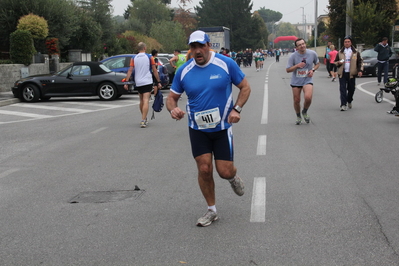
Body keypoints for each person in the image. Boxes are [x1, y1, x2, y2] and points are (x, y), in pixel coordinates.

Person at [166, 30, 251, 227]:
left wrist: (237, 109)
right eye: (193, 47)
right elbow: (171, 98)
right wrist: (173, 110)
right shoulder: (184, 71)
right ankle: (211, 210)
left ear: (208, 45)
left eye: (200, 46)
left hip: (222, 127)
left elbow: (245, 87)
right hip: (198, 128)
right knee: (204, 168)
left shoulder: (225, 63)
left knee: (224, 171)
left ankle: (232, 177)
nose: (197, 51)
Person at [124, 42, 162, 128]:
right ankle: (143, 120)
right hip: (147, 81)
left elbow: (130, 70)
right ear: (144, 48)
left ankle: (143, 118)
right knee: (146, 100)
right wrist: (158, 81)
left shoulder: (134, 58)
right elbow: (154, 70)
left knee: (141, 100)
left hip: (138, 81)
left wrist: (126, 81)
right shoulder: (149, 57)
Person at [286, 38, 320, 125]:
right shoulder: (293, 56)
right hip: (296, 80)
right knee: (297, 100)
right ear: (296, 47)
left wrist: (312, 70)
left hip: (307, 79)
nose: (302, 46)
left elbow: (317, 64)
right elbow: (288, 70)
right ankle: (298, 116)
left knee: (308, 97)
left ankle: (304, 111)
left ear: (305, 44)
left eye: (303, 44)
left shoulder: (312, 53)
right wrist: (297, 65)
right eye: (300, 45)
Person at [335, 36, 363, 111]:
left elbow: (360, 61)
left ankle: (349, 100)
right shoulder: (340, 52)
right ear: (343, 43)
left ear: (351, 42)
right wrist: (338, 63)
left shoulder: (355, 52)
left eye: (348, 42)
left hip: (352, 73)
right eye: (345, 42)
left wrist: (360, 70)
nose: (347, 43)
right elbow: (335, 61)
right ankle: (343, 104)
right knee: (342, 89)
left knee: (351, 89)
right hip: (342, 73)